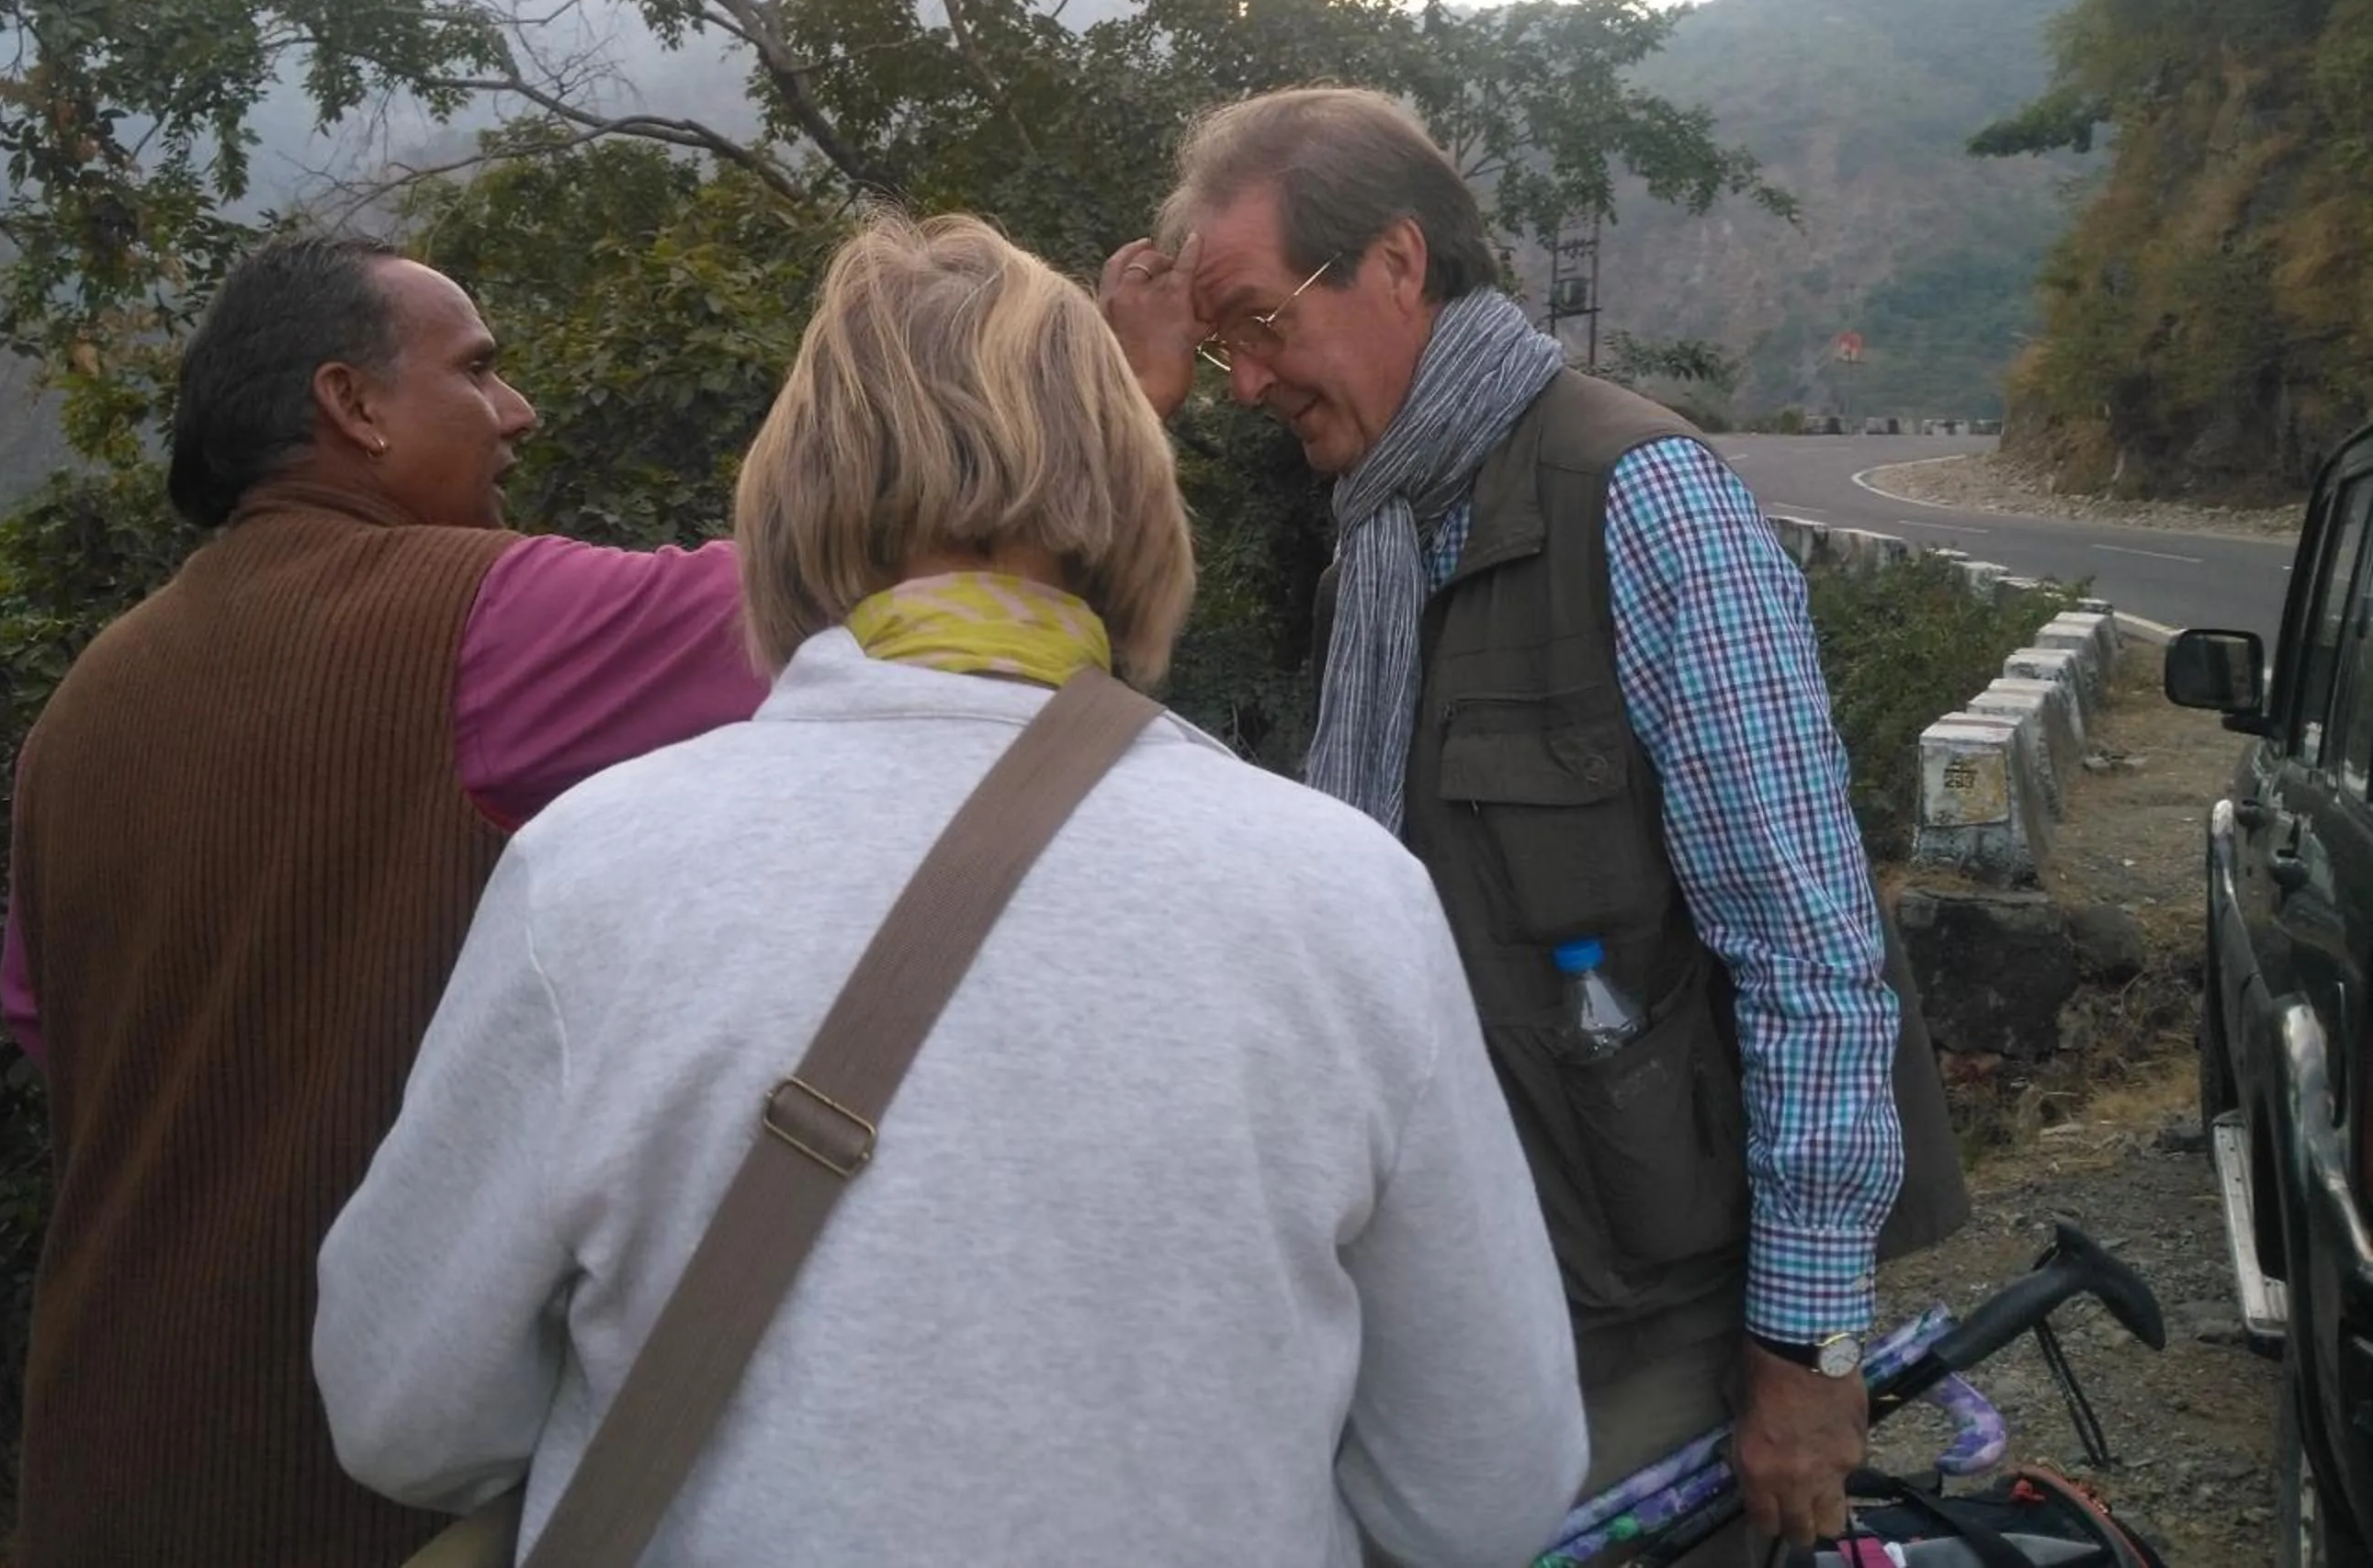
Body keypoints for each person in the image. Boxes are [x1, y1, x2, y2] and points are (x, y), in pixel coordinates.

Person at [313, 213, 1586, 1568]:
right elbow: (1485, 1488)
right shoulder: (1346, 899)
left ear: (791, 500)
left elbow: (406, 1411)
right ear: (1137, 501)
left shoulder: (596, 871)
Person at [1098, 88, 1969, 1564]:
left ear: (1391, 262)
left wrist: (1808, 1349)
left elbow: (1812, 952)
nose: (1243, 382)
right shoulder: (1382, 532)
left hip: (1649, 1316)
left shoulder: (1643, 501)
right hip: (1455, 1286)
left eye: (1256, 323)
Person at [5, 234, 766, 1568]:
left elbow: (51, 1036)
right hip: (349, 1494)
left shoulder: (77, 710)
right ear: (350, 405)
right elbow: (852, 598)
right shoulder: (484, 621)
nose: (517, 409)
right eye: (477, 370)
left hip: (93, 1463)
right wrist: (1091, 393)